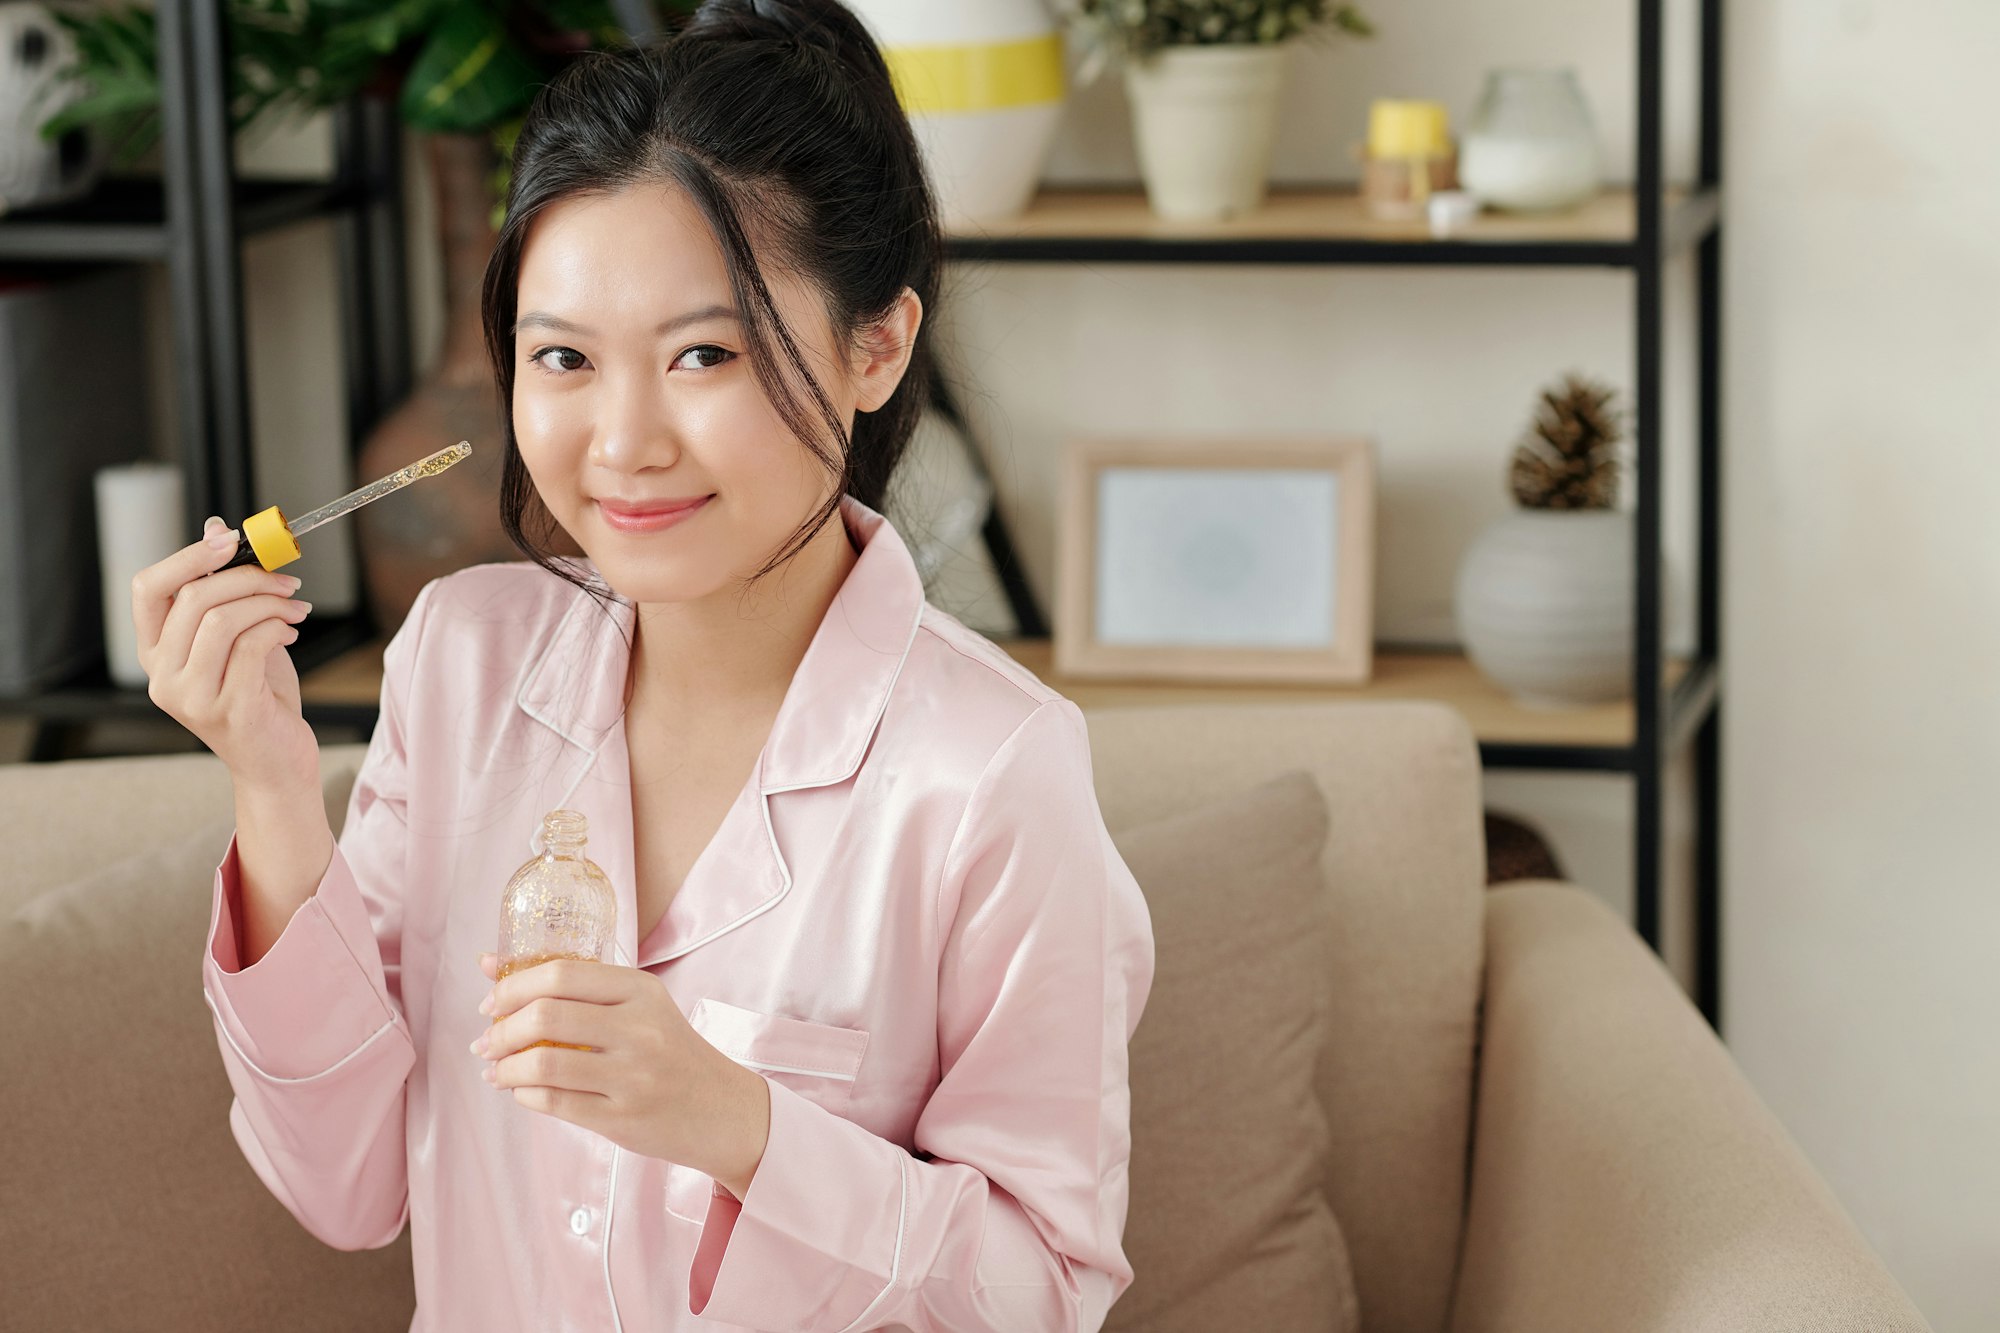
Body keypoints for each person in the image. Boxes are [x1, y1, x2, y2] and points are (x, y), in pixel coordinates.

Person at [130, 2, 1156, 1329]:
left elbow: (1045, 1291)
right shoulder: (459, 664)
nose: (622, 442)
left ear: (878, 346)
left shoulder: (992, 768)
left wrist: (738, 1126)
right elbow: (346, 1183)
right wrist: (271, 785)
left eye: (703, 355)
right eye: (563, 357)